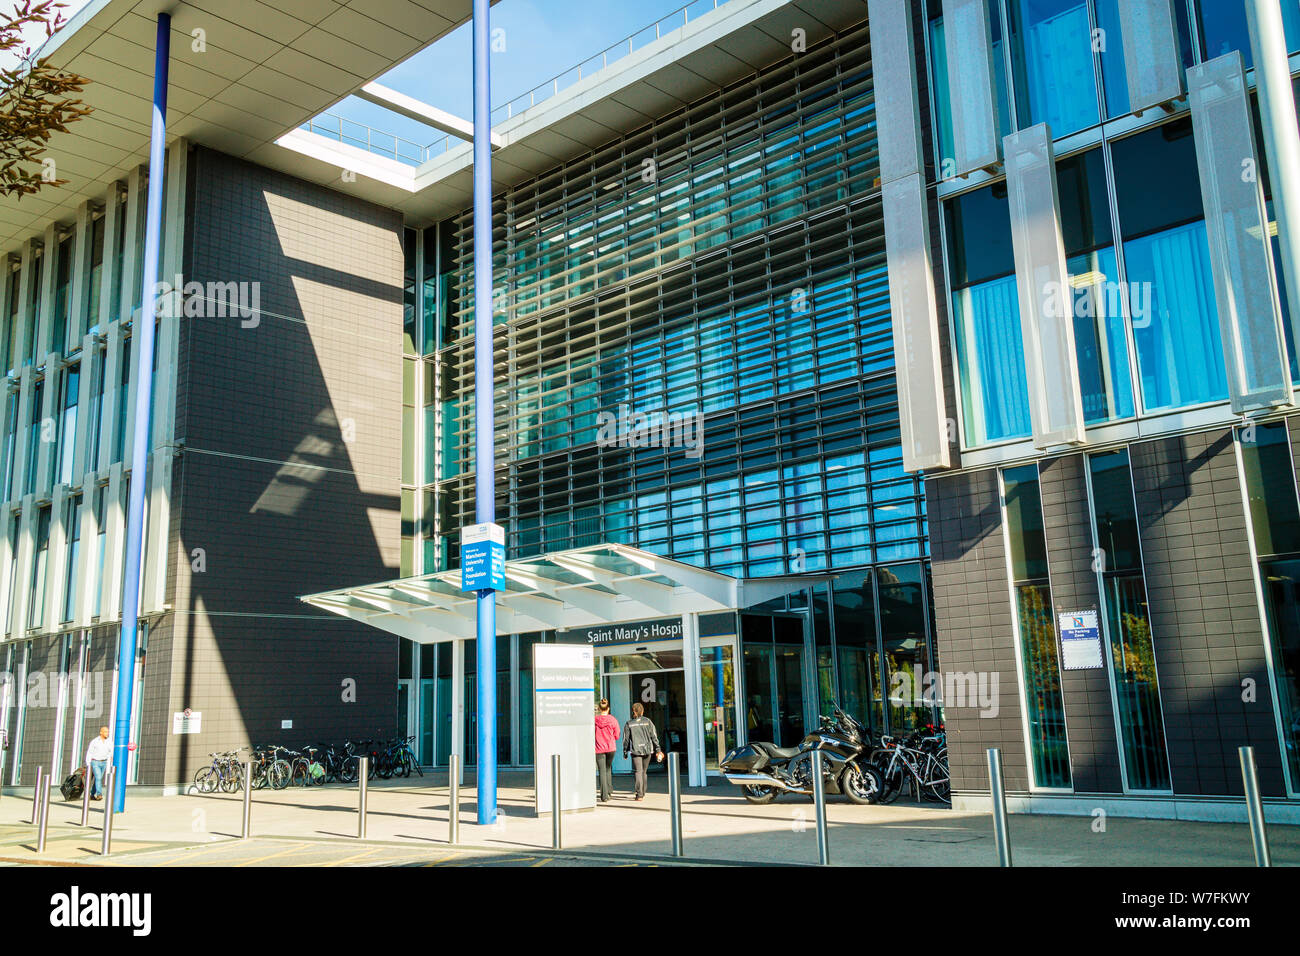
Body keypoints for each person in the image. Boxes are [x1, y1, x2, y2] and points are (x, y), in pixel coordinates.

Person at [622, 702, 663, 801]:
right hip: (647, 750)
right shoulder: (648, 721)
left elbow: (626, 740)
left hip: (636, 751)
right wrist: (658, 749)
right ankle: (643, 792)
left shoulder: (629, 723)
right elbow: (654, 736)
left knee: (638, 772)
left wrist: (625, 751)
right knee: (644, 772)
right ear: (642, 711)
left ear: (633, 711)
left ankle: (639, 794)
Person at [594, 699, 620, 802]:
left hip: (599, 748)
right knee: (608, 768)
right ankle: (609, 790)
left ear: (599, 709)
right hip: (610, 748)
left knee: (602, 770)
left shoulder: (595, 720)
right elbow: (617, 735)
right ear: (608, 708)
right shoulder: (613, 720)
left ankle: (604, 795)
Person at [85, 726, 112, 800]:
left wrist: (110, 760)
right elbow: (90, 752)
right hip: (95, 762)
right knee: (98, 778)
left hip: (104, 762)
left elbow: (111, 751)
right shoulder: (95, 741)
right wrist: (88, 763)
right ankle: (99, 794)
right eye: (106, 732)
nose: (107, 733)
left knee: (98, 779)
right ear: (101, 732)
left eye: (108, 732)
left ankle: (92, 794)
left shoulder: (109, 741)